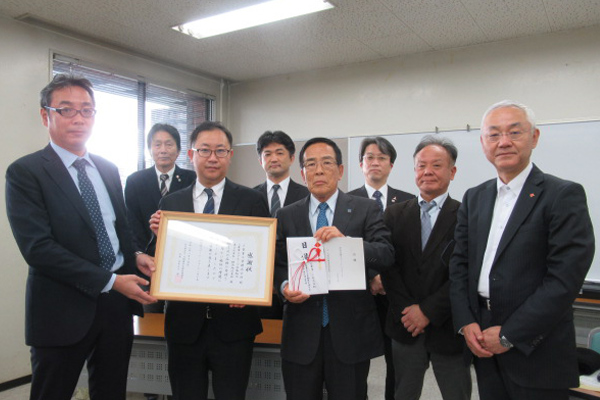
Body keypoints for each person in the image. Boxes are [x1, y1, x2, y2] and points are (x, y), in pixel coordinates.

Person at [5, 74, 157, 400]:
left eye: (87, 110)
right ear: (46, 115)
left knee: (111, 391)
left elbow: (119, 228)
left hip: (116, 307)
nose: (79, 118)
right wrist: (110, 280)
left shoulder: (107, 168)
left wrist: (135, 255)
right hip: (61, 309)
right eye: (67, 110)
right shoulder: (25, 172)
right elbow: (39, 249)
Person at [449, 100, 595, 400]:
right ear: (482, 142)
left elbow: (564, 280)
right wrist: (466, 322)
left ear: (535, 137)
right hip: (481, 337)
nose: (503, 142)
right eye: (493, 134)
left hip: (537, 346)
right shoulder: (475, 197)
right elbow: (459, 265)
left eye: (514, 132)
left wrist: (509, 335)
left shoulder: (562, 195)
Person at [149, 121, 269, 400]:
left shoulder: (252, 200)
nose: (212, 157)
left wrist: (252, 288)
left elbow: (267, 255)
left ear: (230, 155)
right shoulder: (171, 205)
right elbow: (160, 261)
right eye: (204, 150)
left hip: (235, 325)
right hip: (183, 325)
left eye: (220, 150)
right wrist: (157, 235)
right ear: (191, 155)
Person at [275, 137, 395, 400]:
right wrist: (284, 287)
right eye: (311, 164)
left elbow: (386, 254)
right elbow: (277, 265)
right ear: (302, 172)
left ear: (340, 171)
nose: (318, 170)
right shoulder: (287, 215)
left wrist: (348, 244)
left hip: (350, 331)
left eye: (326, 163)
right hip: (301, 331)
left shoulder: (365, 208)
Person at [382, 136, 471, 400]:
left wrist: (428, 311)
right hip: (405, 324)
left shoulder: (466, 215)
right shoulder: (394, 214)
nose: (427, 172)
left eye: (437, 165)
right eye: (421, 166)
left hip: (449, 327)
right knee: (403, 394)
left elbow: (464, 272)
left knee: (457, 394)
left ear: (452, 172)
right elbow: (389, 269)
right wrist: (409, 311)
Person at [348, 136, 413, 400]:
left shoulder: (408, 201)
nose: (375, 163)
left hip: (395, 296)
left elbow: (407, 252)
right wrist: (372, 275)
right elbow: (345, 249)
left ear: (391, 165)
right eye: (370, 157)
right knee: (355, 363)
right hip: (358, 293)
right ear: (361, 164)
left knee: (396, 364)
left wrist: (386, 278)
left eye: (382, 158)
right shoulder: (346, 201)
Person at [254, 130, 309, 319]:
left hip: (297, 283)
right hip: (258, 284)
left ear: (292, 158)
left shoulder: (307, 196)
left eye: (280, 152)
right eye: (267, 154)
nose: (274, 158)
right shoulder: (248, 197)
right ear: (260, 160)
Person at [125, 123, 196, 253]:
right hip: (147, 255)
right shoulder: (135, 181)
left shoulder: (192, 180)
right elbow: (132, 224)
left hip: (183, 252)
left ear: (178, 150)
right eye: (157, 145)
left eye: (169, 144)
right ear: (149, 149)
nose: (163, 150)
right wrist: (139, 254)